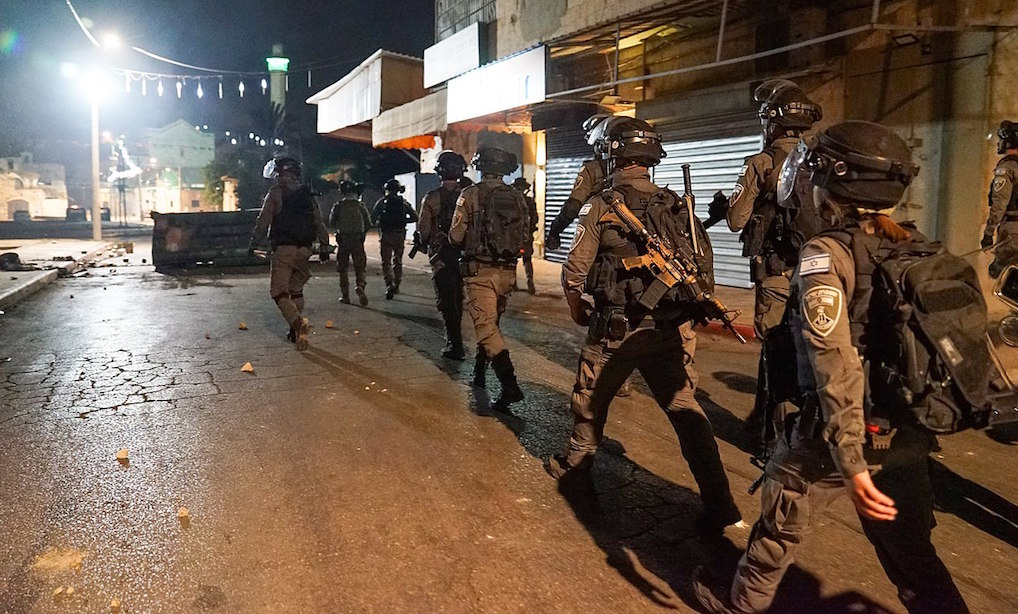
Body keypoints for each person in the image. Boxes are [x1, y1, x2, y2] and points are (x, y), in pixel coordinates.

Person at [693, 121, 971, 614]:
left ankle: (740, 605)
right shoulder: (919, 245)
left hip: (837, 432)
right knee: (912, 552)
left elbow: (832, 361)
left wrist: (853, 460)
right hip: (905, 430)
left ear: (835, 181)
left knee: (779, 523)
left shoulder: (826, 254)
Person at [547, 117, 741, 533]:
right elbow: (702, 264)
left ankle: (577, 474)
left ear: (612, 153)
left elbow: (575, 271)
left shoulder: (602, 204)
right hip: (666, 330)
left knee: (590, 399)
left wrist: (575, 305)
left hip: (616, 328)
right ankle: (720, 499)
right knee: (685, 408)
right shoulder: (676, 203)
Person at [713, 79, 824, 452]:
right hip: (819, 271)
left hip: (777, 271)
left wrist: (725, 204)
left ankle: (772, 438)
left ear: (771, 124)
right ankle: (776, 420)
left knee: (775, 349)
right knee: (813, 347)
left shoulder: (761, 163)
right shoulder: (820, 160)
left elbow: (736, 220)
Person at [449, 145, 530, 410]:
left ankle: (509, 386)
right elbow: (526, 235)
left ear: (480, 166)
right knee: (492, 326)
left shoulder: (470, 194)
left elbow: (456, 236)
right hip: (508, 272)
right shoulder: (518, 196)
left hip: (479, 272)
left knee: (486, 329)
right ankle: (479, 374)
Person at [248, 156, 331, 351]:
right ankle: (294, 332)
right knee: (295, 289)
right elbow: (318, 222)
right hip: (304, 250)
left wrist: (253, 243)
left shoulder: (276, 194)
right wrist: (325, 246)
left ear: (281, 174)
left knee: (278, 291)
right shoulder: (308, 195)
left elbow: (264, 220)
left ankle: (297, 323)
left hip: (284, 249)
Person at [418, 150, 468, 360]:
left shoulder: (431, 198)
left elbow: (424, 231)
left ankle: (454, 344)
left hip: (441, 257)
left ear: (439, 171)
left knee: (447, 299)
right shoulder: (468, 195)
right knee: (459, 295)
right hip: (465, 255)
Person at [544, 114, 611, 251]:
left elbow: (572, 207)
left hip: (601, 239)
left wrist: (555, 230)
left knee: (575, 268)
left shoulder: (593, 169)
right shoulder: (640, 172)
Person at [372, 178, 418, 299]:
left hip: (386, 235)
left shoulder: (382, 202)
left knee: (386, 262)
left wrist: (381, 222)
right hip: (399, 235)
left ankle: (389, 284)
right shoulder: (404, 203)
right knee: (398, 261)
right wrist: (403, 221)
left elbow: (372, 218)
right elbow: (415, 217)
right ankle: (397, 285)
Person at [984, 120, 1018, 279]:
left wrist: (988, 233)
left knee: (1002, 276)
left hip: (1012, 230)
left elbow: (1000, 204)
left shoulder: (1007, 167)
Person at [329, 179, 371, 306]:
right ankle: (361, 286)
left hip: (343, 240)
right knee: (360, 267)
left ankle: (345, 296)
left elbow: (331, 222)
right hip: (358, 239)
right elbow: (368, 223)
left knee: (342, 269)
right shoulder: (360, 205)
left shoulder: (338, 206)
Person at [511, 176, 540, 294]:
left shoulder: (512, 201)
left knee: (512, 259)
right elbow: (536, 219)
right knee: (527, 259)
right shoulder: (530, 201)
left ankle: (513, 283)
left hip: (513, 236)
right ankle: (530, 280)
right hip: (527, 235)